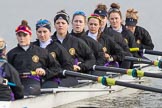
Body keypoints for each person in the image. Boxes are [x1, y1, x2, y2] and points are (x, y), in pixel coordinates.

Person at [7, 20, 61, 96]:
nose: (22, 38)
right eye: (19, 35)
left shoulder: (41, 52)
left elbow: (57, 68)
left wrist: (44, 72)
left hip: (33, 80)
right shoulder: (11, 54)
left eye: (24, 35)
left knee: (27, 92)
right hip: (16, 81)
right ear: (16, 36)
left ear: (30, 35)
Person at [33, 19, 77, 87]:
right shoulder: (33, 47)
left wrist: (51, 73)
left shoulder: (58, 47)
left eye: (45, 31)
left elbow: (69, 66)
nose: (42, 35)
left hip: (53, 78)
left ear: (50, 32)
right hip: (36, 78)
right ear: (36, 33)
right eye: (39, 32)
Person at [93, 3, 132, 69]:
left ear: (106, 19)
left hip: (109, 66)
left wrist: (112, 57)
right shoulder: (87, 34)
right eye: (98, 17)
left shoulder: (116, 36)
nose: (100, 20)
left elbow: (127, 54)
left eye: (103, 17)